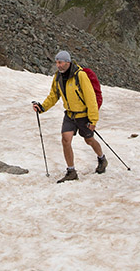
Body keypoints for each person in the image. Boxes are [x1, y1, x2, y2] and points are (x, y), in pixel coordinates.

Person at [32, 50, 105, 183]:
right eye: (57, 62)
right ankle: (71, 171)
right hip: (70, 115)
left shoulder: (80, 75)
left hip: (83, 116)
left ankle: (101, 158)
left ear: (68, 62)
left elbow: (90, 98)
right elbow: (54, 95)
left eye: (60, 62)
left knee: (89, 140)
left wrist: (93, 120)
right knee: (66, 140)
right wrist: (42, 107)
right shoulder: (58, 77)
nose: (58, 65)